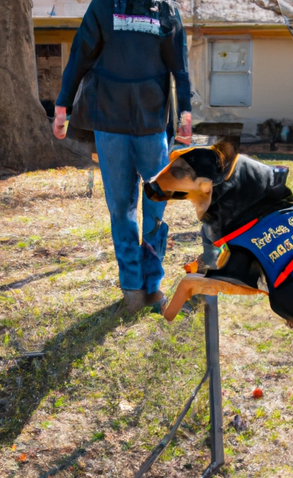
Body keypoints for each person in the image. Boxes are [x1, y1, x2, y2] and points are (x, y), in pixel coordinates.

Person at [53, 0, 192, 312]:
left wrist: (185, 109)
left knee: (155, 207)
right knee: (120, 208)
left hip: (152, 125)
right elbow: (79, 56)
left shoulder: (166, 11)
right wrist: (63, 103)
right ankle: (131, 287)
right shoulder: (102, 6)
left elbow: (179, 68)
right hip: (109, 124)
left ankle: (152, 285)